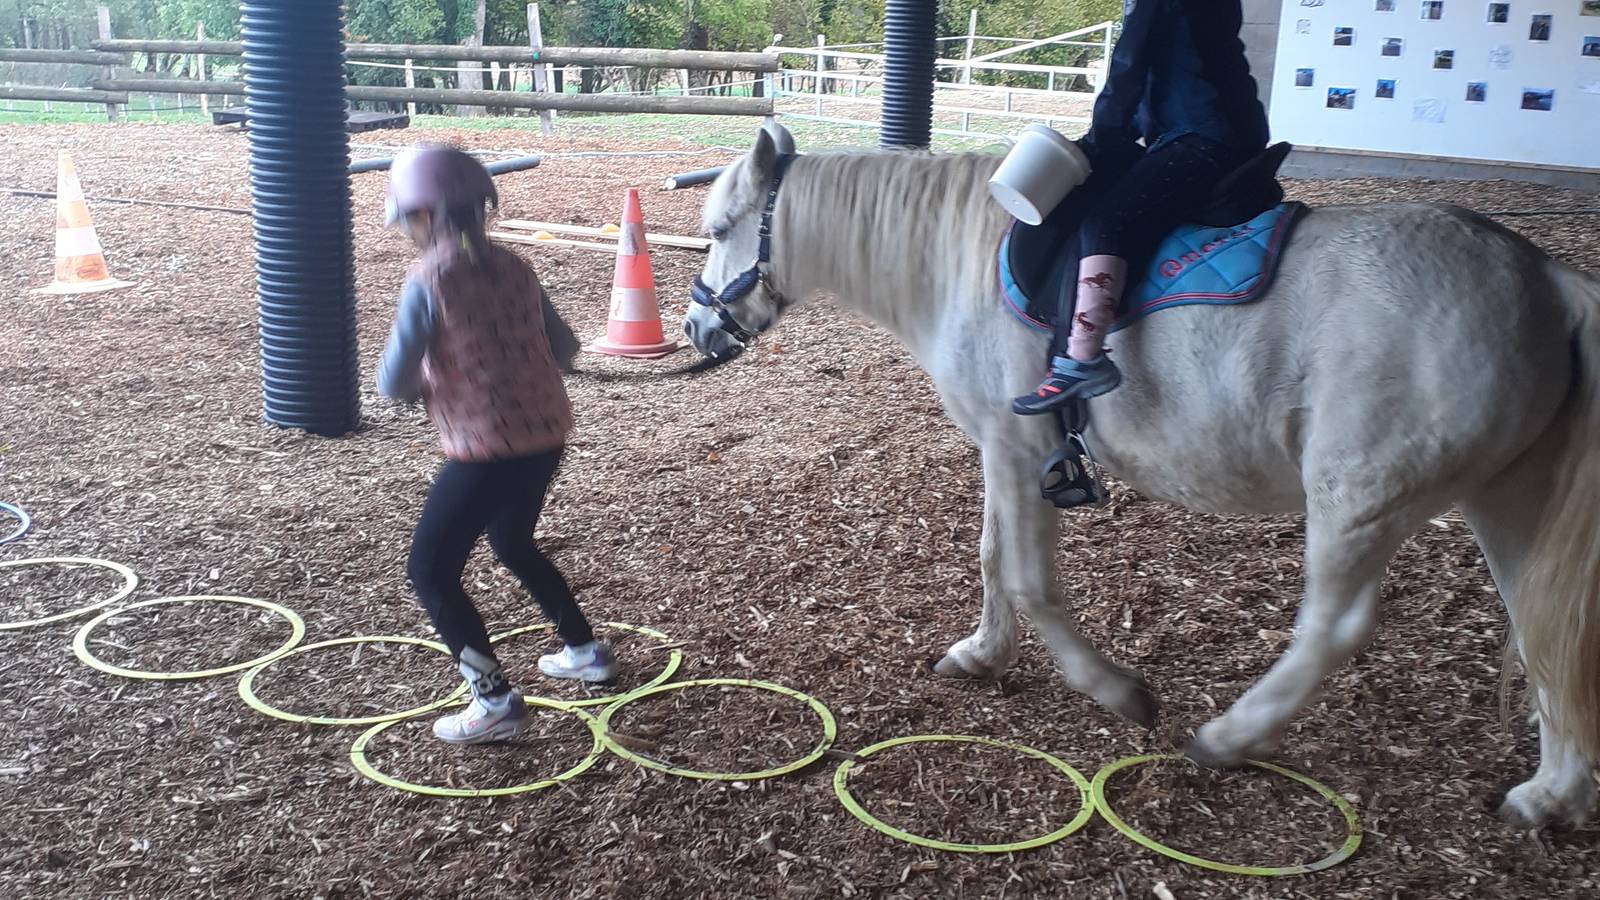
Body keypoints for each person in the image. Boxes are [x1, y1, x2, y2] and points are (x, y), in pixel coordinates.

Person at [376, 144, 616, 744]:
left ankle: (494, 702)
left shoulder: (430, 278)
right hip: (545, 434)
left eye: (407, 218)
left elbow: (393, 383)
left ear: (423, 214)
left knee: (430, 570)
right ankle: (584, 651)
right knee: (512, 540)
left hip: (484, 448)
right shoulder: (516, 266)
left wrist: (433, 376)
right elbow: (566, 348)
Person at [1012, 0, 1270, 415]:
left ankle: (1083, 359)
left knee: (1106, 223)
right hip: (1218, 128)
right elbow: (1175, 67)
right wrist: (1122, 133)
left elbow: (1130, 63)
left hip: (1201, 136)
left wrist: (1100, 138)